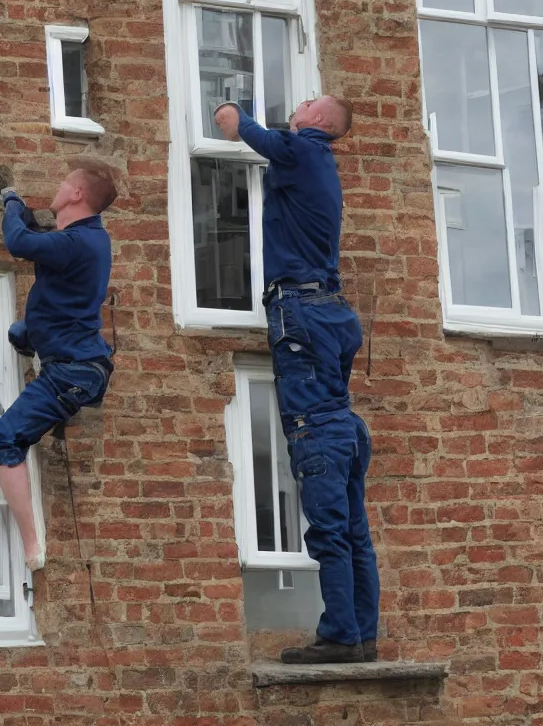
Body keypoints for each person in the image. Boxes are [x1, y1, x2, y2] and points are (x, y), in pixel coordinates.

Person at [214, 97, 380, 666]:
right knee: (354, 530)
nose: (300, 104)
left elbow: (263, 139)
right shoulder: (318, 164)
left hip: (305, 312)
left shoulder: (305, 151)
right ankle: (362, 631)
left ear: (321, 124)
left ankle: (340, 635)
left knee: (329, 518)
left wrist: (232, 116)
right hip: (330, 316)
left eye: (309, 103)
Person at [0, 163, 117, 570]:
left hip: (72, 372)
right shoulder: (87, 240)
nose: (55, 189)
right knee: (21, 331)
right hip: (79, 362)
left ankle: (33, 547)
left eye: (61, 182)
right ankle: (34, 361)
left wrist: (11, 199)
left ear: (76, 195)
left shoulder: (76, 243)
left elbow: (19, 242)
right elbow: (44, 244)